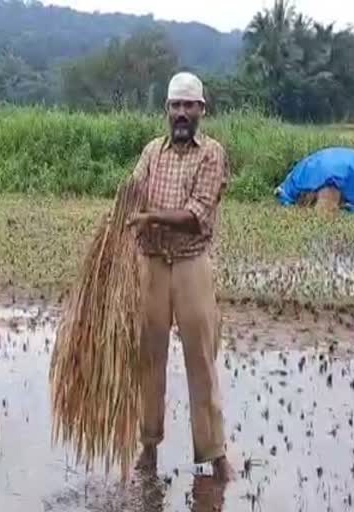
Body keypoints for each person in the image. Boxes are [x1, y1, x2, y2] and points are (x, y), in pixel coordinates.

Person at [127, 72, 233, 481]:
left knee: (201, 359)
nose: (182, 113)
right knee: (148, 355)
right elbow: (135, 190)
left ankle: (216, 454)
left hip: (190, 265)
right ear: (167, 110)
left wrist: (151, 216)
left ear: (202, 110)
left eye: (190, 105)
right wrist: (126, 207)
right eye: (176, 105)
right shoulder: (152, 151)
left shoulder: (212, 154)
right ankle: (148, 447)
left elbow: (196, 216)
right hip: (152, 264)